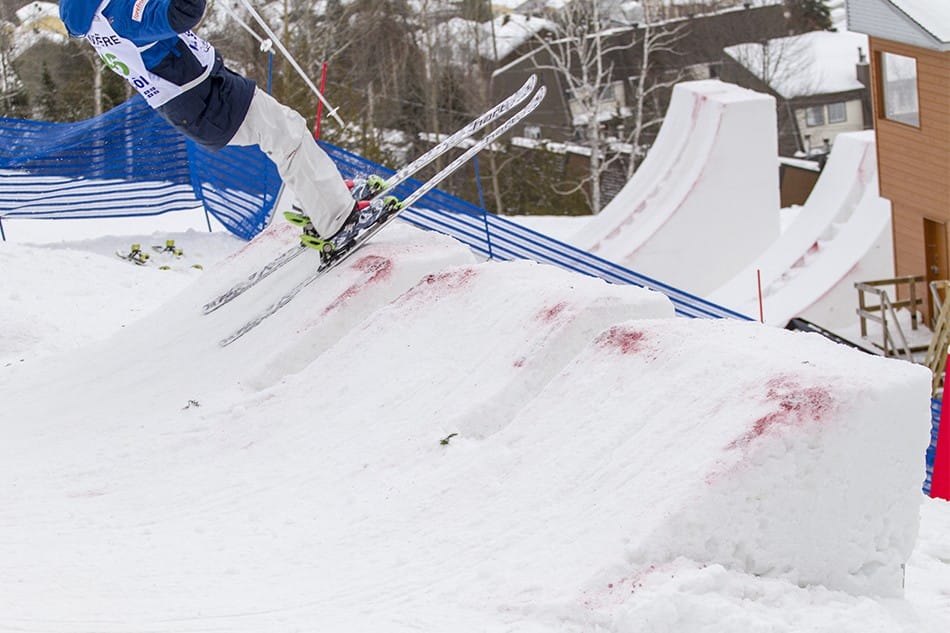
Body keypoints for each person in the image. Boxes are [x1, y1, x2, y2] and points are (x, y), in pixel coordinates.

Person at [58, 0, 368, 243]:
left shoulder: (95, 14)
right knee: (287, 135)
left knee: (285, 130)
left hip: (198, 93)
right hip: (204, 99)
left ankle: (322, 200)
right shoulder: (121, 12)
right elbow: (181, 11)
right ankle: (335, 219)